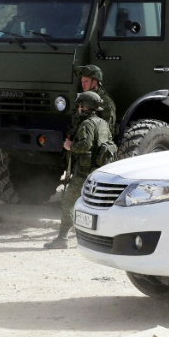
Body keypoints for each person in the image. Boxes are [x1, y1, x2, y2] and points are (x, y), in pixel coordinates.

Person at [45, 91, 111, 249]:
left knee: (68, 201)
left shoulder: (87, 124)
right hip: (98, 172)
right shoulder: (103, 123)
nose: (78, 108)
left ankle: (62, 238)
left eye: (80, 105)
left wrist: (70, 146)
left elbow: (85, 146)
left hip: (83, 172)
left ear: (86, 107)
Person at [73, 65, 116, 136]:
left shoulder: (105, 101)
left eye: (86, 81)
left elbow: (108, 130)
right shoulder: (82, 98)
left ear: (95, 82)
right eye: (82, 81)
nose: (83, 85)